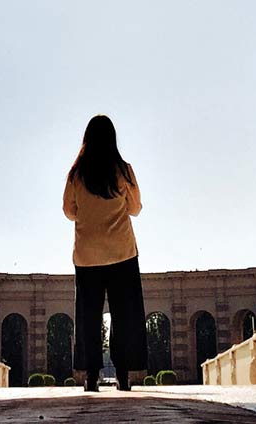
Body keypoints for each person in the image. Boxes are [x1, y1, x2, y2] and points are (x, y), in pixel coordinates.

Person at [62, 114, 147, 392]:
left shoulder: (76, 174)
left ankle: (91, 376)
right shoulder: (124, 171)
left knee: (89, 315)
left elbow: (68, 211)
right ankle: (123, 374)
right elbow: (135, 209)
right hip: (121, 252)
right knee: (125, 314)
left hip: (87, 256)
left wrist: (89, 214)